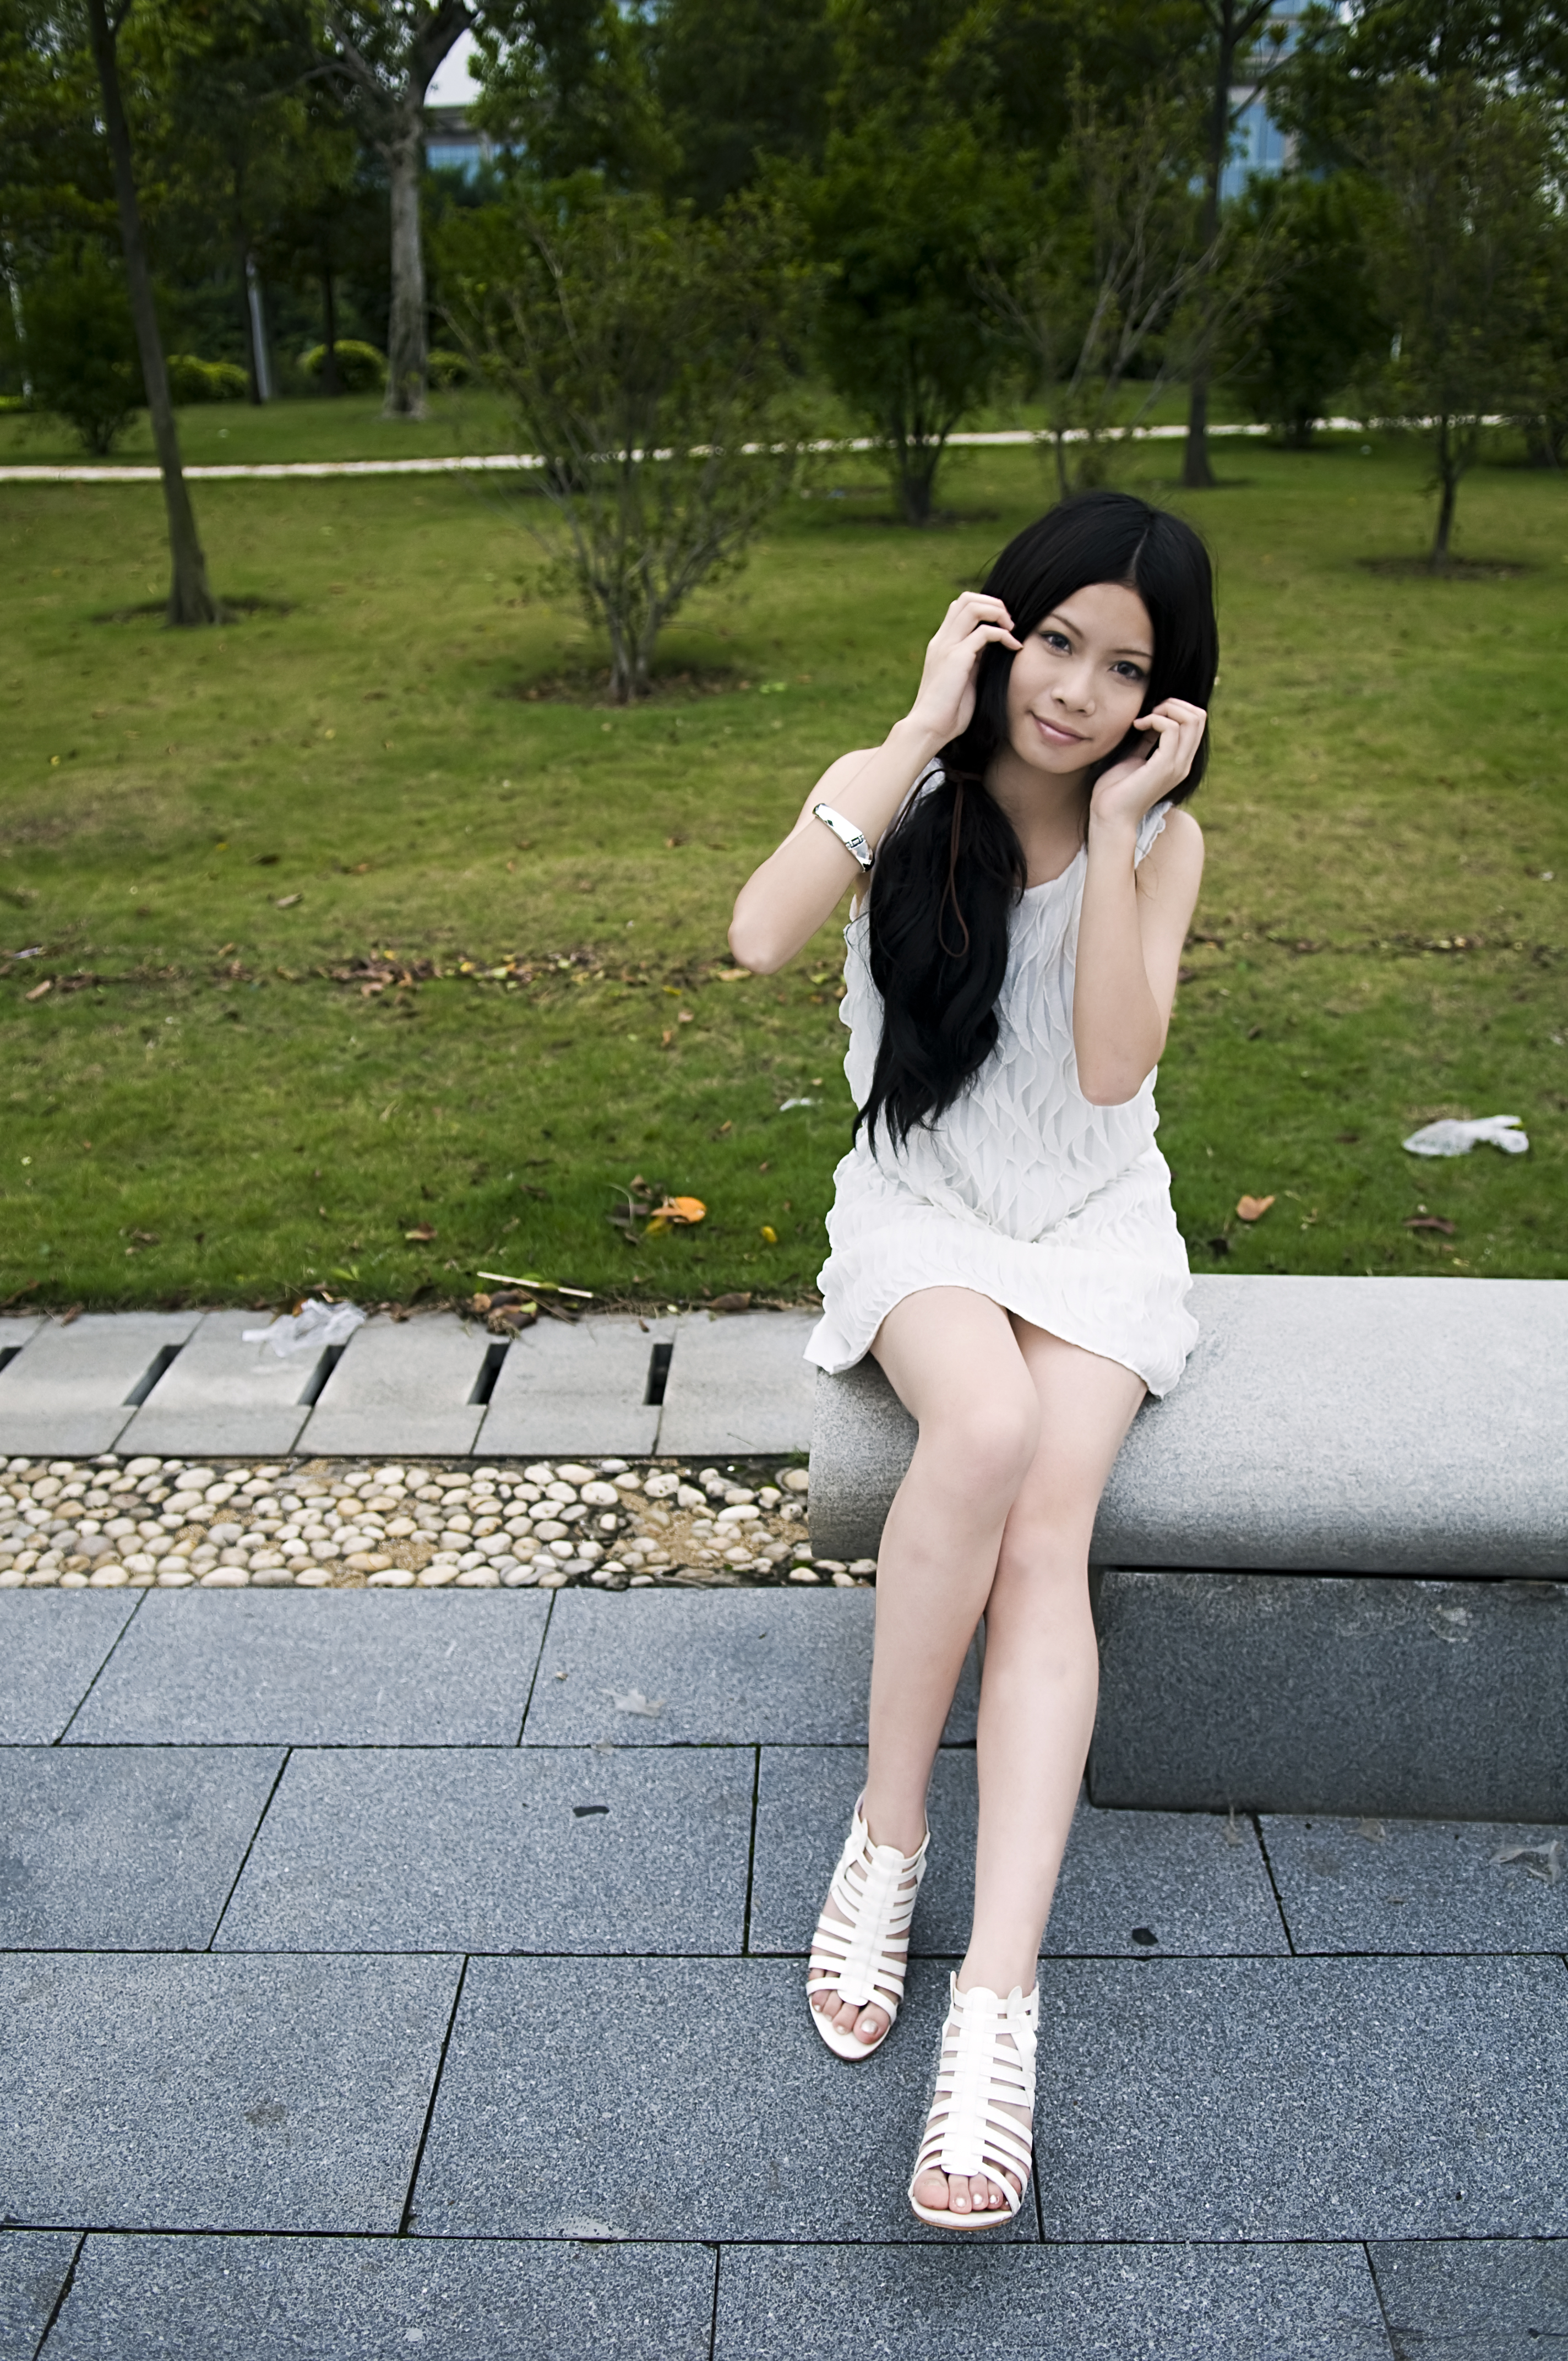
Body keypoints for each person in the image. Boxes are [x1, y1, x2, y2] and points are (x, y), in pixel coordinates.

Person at [728, 488, 1218, 2231]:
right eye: (1060, 641)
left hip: (1091, 1227)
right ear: (1004, 625)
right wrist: (918, 726)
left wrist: (1128, 825)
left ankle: (996, 2004)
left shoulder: (1161, 841)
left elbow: (1103, 1074)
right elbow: (759, 932)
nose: (1078, 690)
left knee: (1046, 1522)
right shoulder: (913, 797)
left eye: (1127, 668)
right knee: (985, 1421)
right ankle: (888, 1840)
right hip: (925, 1215)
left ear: (1170, 700)